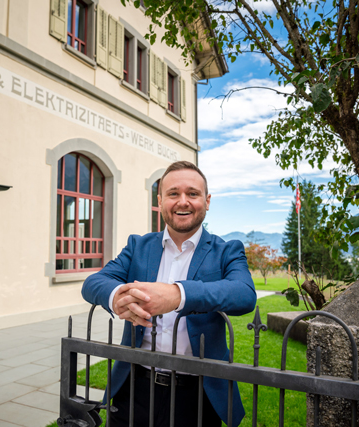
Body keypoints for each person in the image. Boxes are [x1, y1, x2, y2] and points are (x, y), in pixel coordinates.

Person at [82, 161, 256, 427]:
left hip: (198, 394)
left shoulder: (227, 251)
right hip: (134, 387)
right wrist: (117, 295)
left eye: (193, 194)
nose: (182, 202)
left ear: (207, 201)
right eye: (173, 194)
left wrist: (179, 294)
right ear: (160, 200)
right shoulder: (138, 246)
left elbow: (244, 294)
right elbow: (93, 283)